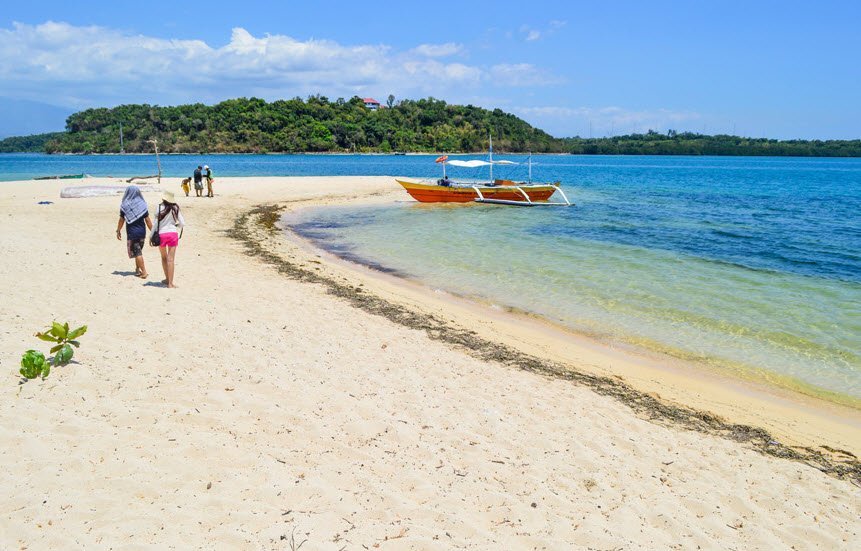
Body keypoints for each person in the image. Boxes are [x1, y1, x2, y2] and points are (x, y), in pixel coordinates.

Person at [116, 186, 153, 279]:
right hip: (142, 233)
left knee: (137, 253)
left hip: (132, 233)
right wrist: (153, 231)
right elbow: (148, 220)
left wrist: (118, 230)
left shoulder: (125, 206)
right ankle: (137, 269)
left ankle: (144, 272)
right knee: (138, 251)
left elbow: (121, 220)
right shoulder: (142, 204)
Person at [150, 191, 186, 288]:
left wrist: (151, 236)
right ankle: (170, 283)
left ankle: (166, 279)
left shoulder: (159, 207)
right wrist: (176, 225)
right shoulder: (175, 207)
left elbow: (155, 224)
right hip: (172, 234)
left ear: (164, 198)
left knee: (164, 258)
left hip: (161, 234)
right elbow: (183, 223)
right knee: (171, 260)